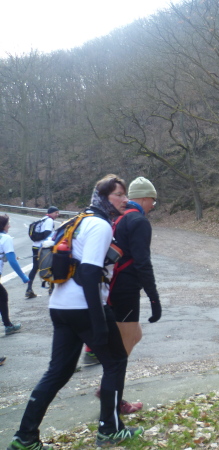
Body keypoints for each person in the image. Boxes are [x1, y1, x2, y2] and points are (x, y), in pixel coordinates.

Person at [7, 175, 145, 450]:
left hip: (60, 306)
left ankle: (25, 438)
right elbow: (90, 272)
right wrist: (99, 320)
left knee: (58, 371)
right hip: (84, 307)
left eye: (125, 194)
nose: (125, 199)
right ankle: (110, 431)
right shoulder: (100, 225)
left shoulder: (76, 221)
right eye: (119, 194)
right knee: (116, 361)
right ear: (104, 198)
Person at [106, 176, 162, 413]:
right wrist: (154, 298)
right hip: (126, 289)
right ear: (144, 198)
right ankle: (112, 397)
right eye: (153, 201)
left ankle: (109, 389)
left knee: (134, 335)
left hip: (112, 286)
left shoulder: (118, 217)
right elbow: (142, 263)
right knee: (123, 347)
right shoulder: (138, 221)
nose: (153, 206)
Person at [0, 214, 30, 336]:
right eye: (8, 224)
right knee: (2, 296)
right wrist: (23, 277)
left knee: (2, 296)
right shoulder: (6, 238)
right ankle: (8, 326)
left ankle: (8, 325)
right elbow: (13, 261)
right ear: (3, 226)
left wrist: (4, 256)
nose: (9, 226)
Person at [25, 206, 60, 299]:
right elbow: (47, 234)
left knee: (35, 267)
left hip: (35, 246)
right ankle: (51, 289)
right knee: (50, 266)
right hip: (44, 247)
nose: (57, 215)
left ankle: (29, 289)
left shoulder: (43, 219)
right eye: (56, 213)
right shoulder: (49, 220)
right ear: (51, 212)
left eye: (58, 213)